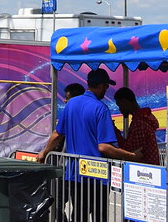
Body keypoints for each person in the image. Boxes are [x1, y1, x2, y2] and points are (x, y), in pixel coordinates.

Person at [38, 68, 139, 222]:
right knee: (99, 215)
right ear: (101, 86)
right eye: (106, 86)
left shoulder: (71, 104)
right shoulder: (101, 108)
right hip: (97, 175)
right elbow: (104, 147)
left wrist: (44, 152)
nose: (106, 89)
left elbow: (57, 134)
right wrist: (131, 156)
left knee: (78, 214)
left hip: (74, 173)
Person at [114, 87, 160, 165]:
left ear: (125, 102)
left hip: (144, 172)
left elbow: (131, 153)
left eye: (120, 105)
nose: (119, 109)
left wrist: (115, 131)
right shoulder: (143, 118)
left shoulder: (139, 123)